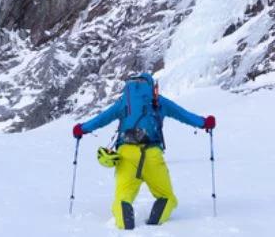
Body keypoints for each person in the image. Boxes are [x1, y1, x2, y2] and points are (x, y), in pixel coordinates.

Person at [73, 72, 216, 230]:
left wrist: (82, 129)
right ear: (151, 86)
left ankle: (124, 221)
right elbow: (183, 114)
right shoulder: (158, 101)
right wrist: (204, 123)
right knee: (166, 196)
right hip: (152, 154)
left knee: (123, 197)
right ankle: (156, 222)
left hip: (126, 154)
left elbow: (102, 118)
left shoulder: (124, 102)